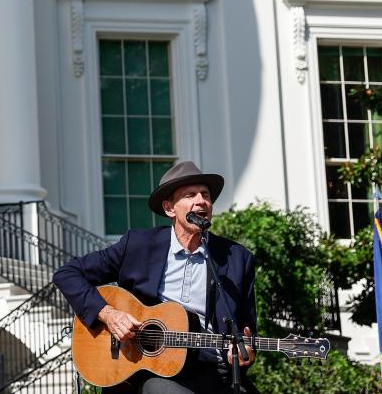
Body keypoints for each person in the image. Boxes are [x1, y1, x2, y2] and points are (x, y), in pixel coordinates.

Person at [53, 161, 259, 394]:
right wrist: (109, 314)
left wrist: (246, 353)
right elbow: (67, 274)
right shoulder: (138, 246)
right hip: (148, 372)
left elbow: (247, 330)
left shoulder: (237, 258)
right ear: (170, 208)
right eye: (190, 195)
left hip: (215, 372)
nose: (201, 200)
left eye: (206, 195)